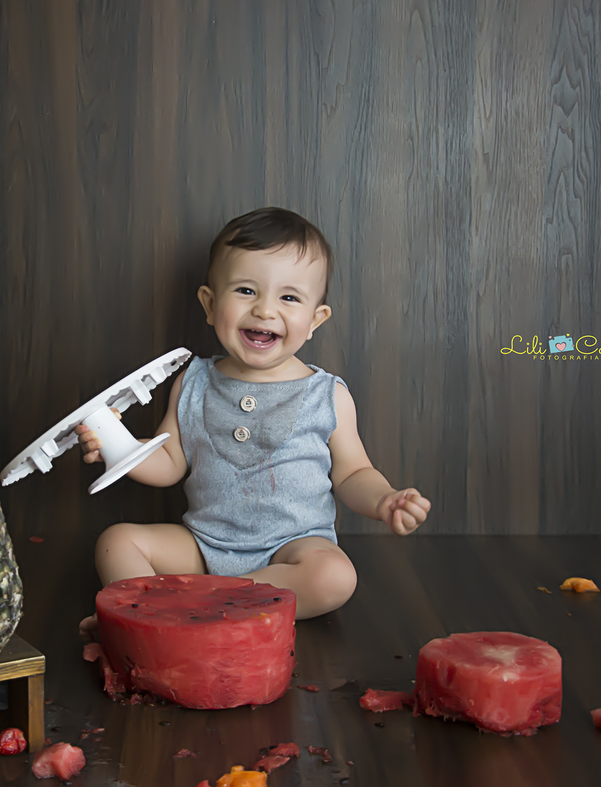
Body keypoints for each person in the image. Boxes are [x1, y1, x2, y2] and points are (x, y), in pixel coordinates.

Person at [77, 207, 430, 634]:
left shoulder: (327, 394)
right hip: (203, 547)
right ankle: (175, 614)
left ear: (315, 320)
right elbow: (169, 462)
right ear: (210, 304)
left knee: (335, 576)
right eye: (246, 290)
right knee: (116, 542)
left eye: (289, 297)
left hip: (290, 553)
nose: (265, 310)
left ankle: (167, 612)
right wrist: (116, 445)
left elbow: (354, 471)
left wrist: (384, 499)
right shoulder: (194, 381)